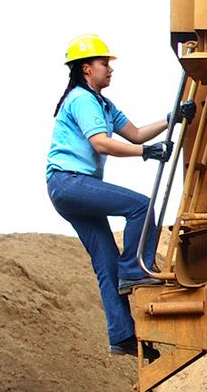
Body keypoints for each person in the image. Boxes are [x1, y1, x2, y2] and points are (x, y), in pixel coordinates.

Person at [45, 33, 191, 357]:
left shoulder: (103, 105)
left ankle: (121, 335)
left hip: (68, 188)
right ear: (86, 69)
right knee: (141, 207)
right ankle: (135, 271)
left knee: (105, 261)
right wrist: (145, 153)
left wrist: (173, 118)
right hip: (69, 183)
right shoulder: (82, 99)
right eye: (103, 63)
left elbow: (136, 133)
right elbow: (100, 142)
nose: (110, 69)